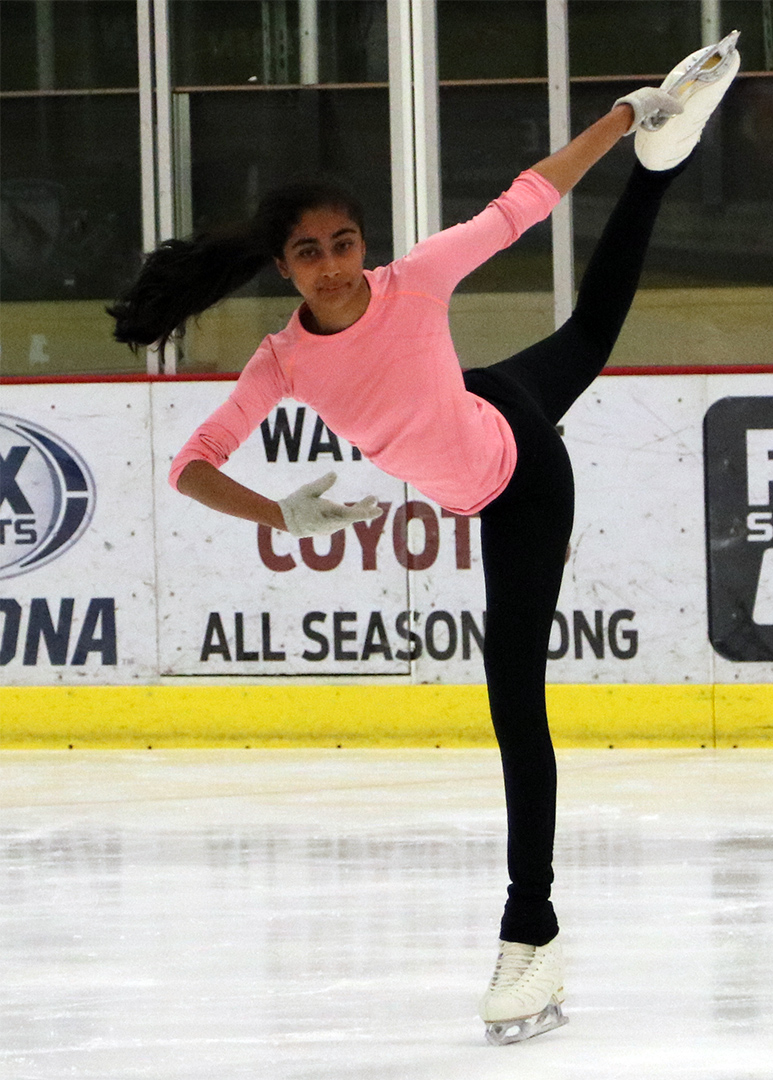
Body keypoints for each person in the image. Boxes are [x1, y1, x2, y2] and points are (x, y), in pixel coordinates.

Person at [108, 34, 740, 1045]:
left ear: (364, 243)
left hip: (518, 474)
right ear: (283, 266)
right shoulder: (281, 363)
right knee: (586, 338)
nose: (332, 266)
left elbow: (525, 200)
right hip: (485, 400)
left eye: (344, 243)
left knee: (514, 699)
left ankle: (530, 931)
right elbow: (191, 463)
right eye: (309, 253)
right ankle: (664, 166)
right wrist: (280, 513)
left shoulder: (414, 283)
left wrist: (622, 118)